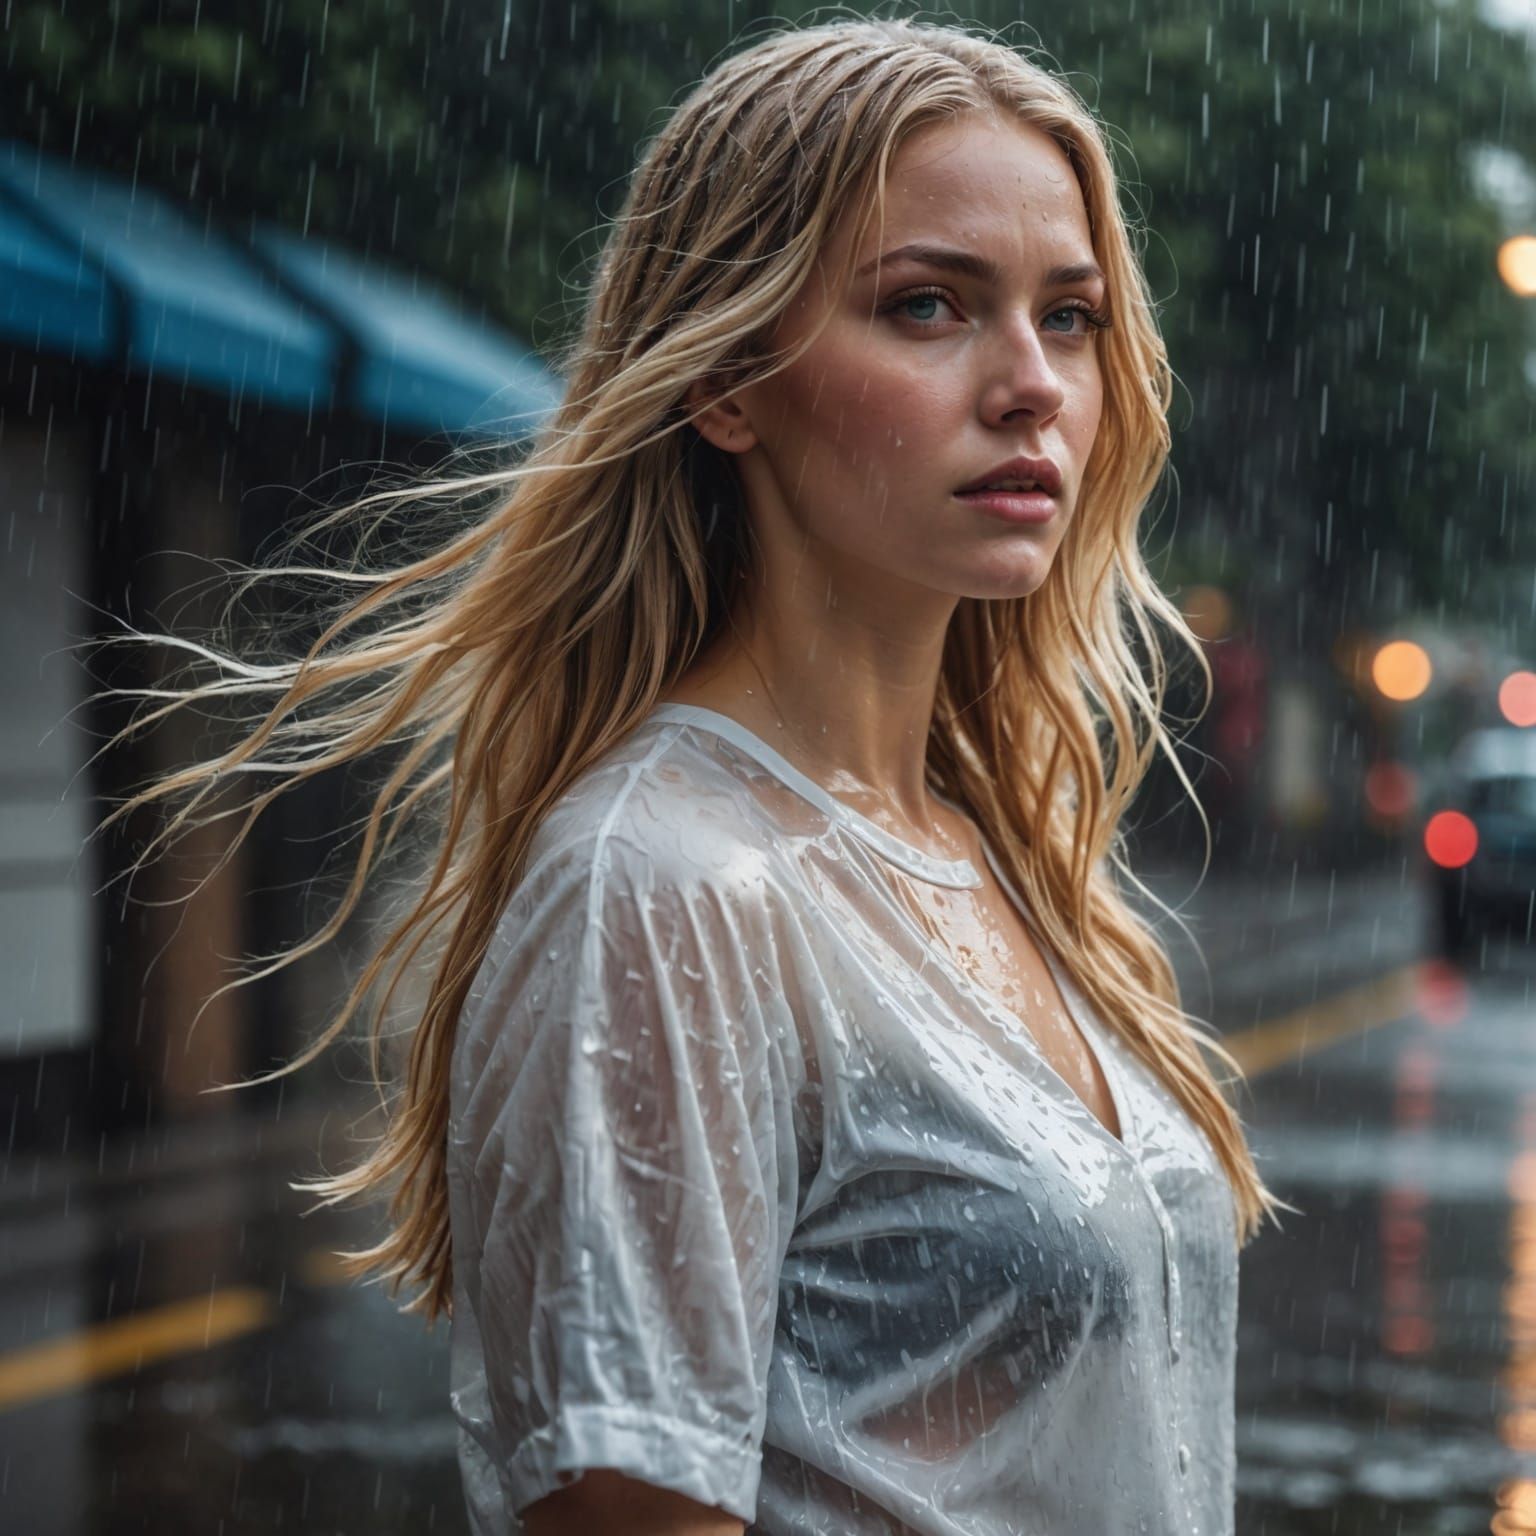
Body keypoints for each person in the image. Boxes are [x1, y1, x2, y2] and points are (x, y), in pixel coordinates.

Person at [99, 17, 1288, 1535]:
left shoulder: (996, 849)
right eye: (929, 305)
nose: (1032, 384)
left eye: (1072, 318)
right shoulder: (664, 881)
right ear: (728, 380)